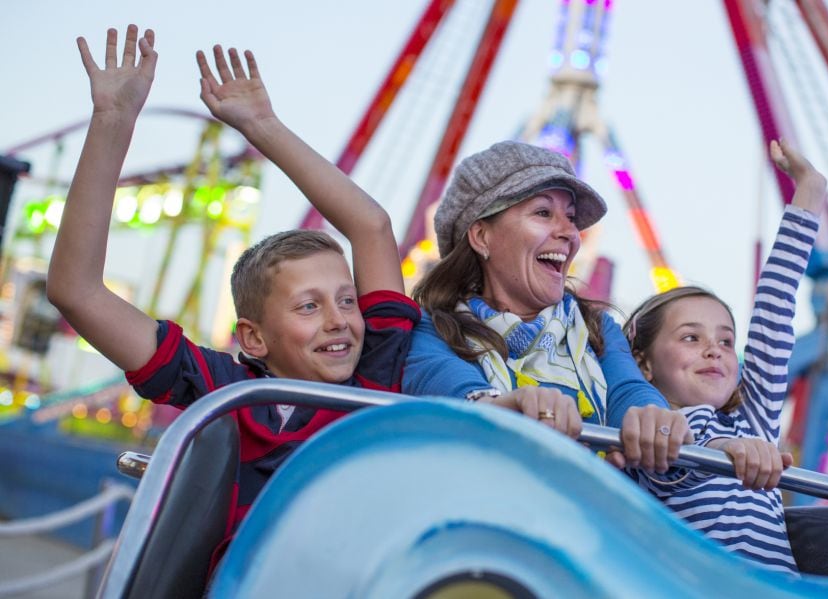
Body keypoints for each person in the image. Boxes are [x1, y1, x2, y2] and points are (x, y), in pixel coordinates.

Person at [46, 26, 419, 565]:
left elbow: (372, 228)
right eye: (309, 307)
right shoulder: (226, 391)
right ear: (253, 337)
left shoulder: (376, 374)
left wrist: (262, 125)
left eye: (347, 300)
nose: (340, 320)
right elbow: (76, 291)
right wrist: (112, 121)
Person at [403, 140, 689, 472]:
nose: (570, 232)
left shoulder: (597, 328)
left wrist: (652, 416)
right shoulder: (431, 328)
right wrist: (512, 405)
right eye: (543, 213)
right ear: (481, 237)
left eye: (570, 218)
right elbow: (454, 390)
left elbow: (628, 390)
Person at [621, 139, 824, 573]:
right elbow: (678, 458)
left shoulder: (755, 422)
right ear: (644, 363)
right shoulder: (649, 426)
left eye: (727, 341)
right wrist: (724, 449)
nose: (714, 349)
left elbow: (774, 307)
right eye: (691, 339)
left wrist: (809, 191)